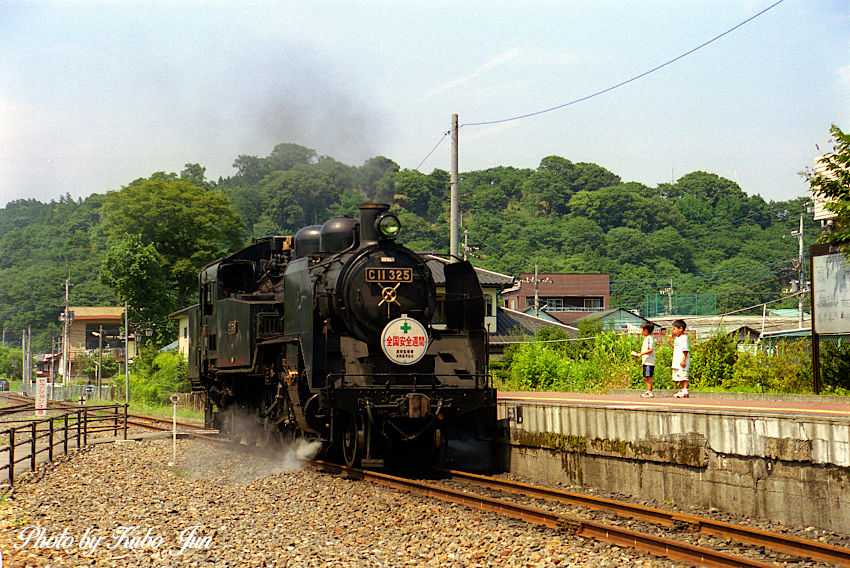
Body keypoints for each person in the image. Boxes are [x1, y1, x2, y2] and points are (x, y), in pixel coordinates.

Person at [630, 322, 656, 397]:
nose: (640, 331)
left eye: (641, 329)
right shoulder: (646, 339)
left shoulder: (649, 339)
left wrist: (640, 354)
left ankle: (650, 391)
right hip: (646, 361)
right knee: (646, 377)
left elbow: (650, 349)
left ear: (646, 330)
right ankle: (648, 390)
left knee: (648, 376)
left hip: (649, 362)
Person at [666, 319, 690, 398]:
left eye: (674, 329)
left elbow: (685, 350)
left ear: (681, 329)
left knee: (684, 375)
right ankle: (682, 390)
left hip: (682, 360)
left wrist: (683, 360)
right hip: (677, 360)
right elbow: (676, 348)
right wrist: (670, 343)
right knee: (680, 376)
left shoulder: (684, 338)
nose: (673, 331)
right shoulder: (677, 338)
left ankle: (685, 390)